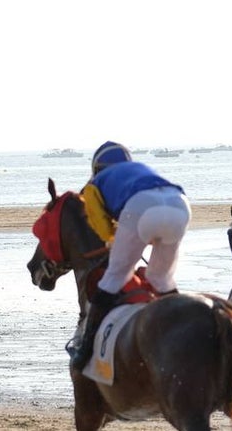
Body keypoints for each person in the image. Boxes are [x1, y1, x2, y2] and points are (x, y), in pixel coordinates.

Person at [71, 141, 191, 369]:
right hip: (180, 204)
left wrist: (115, 240)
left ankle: (85, 348)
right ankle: (181, 332)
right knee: (161, 278)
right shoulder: (139, 170)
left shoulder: (94, 184)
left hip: (140, 208)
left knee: (113, 278)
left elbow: (101, 226)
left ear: (97, 168)